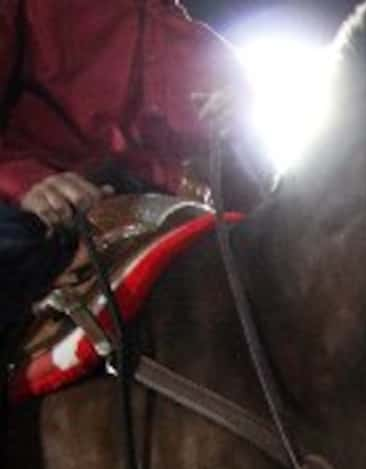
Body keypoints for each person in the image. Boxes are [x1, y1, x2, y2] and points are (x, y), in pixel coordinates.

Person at [0, 0, 262, 322]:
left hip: (163, 220)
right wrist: (28, 184)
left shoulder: (206, 50)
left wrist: (240, 129)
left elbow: (253, 194)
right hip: (41, 207)